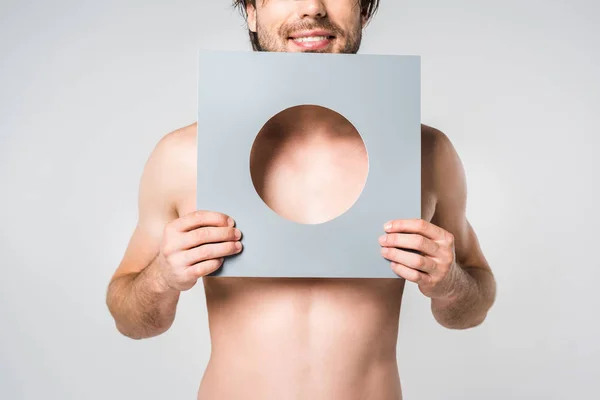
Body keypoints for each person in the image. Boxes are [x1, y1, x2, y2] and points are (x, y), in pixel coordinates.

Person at [105, 1, 497, 399]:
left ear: (363, 10)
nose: (312, 6)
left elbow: (473, 306)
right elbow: (132, 321)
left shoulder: (424, 152)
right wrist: (162, 277)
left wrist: (450, 283)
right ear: (252, 12)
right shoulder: (186, 155)